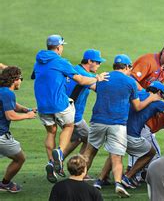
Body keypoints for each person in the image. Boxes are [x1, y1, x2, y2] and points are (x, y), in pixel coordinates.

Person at [32, 35, 108, 183]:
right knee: (87, 137)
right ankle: (78, 170)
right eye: (97, 62)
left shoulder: (39, 61)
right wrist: (98, 78)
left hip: (43, 105)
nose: (99, 64)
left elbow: (38, 76)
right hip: (66, 109)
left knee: (54, 133)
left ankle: (52, 163)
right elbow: (89, 84)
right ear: (59, 47)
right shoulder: (64, 63)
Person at [82, 54, 160, 198]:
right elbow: (137, 106)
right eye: (130, 67)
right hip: (117, 124)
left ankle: (80, 180)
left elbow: (90, 85)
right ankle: (118, 183)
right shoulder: (130, 82)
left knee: (90, 152)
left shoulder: (103, 77)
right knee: (117, 156)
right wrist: (151, 98)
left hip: (98, 120)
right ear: (127, 67)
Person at [64, 49, 106, 158]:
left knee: (77, 138)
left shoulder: (76, 69)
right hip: (74, 115)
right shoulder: (84, 75)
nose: (99, 65)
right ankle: (79, 167)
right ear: (89, 61)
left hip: (66, 112)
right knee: (90, 140)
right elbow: (98, 88)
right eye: (98, 62)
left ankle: (56, 163)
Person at [0, 66, 36, 193]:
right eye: (20, 78)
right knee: (20, 158)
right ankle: (5, 184)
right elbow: (10, 115)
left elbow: (13, 105)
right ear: (14, 79)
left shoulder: (2, 91)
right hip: (1, 136)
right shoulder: (8, 93)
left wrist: (27, 109)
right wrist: (28, 115)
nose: (21, 81)